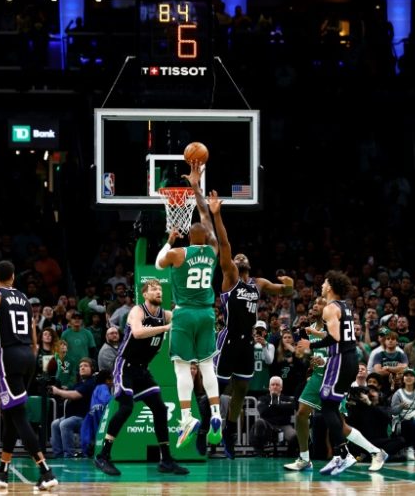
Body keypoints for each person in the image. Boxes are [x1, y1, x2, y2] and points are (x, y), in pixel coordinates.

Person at [207, 190, 294, 458]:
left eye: (244, 256)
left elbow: (285, 292)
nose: (240, 257)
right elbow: (224, 243)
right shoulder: (230, 277)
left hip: (246, 342)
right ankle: (205, 431)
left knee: (241, 390)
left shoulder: (259, 283)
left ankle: (229, 433)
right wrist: (217, 213)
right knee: (218, 390)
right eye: (237, 256)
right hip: (229, 338)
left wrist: (289, 286)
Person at [155, 161, 222, 449]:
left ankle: (186, 418)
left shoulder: (177, 254)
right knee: (206, 365)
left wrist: (169, 241)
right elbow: (206, 216)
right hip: (207, 313)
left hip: (183, 314)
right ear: (204, 237)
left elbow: (158, 263)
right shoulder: (213, 250)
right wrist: (197, 188)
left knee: (182, 368)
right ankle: (216, 413)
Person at [94, 279, 188, 476]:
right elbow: (137, 333)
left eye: (160, 289)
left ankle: (166, 460)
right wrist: (165, 328)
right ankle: (103, 456)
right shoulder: (137, 311)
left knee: (160, 409)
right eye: (154, 289)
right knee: (127, 407)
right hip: (124, 365)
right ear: (145, 294)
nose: (158, 292)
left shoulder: (166, 315)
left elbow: (184, 315)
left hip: (142, 370)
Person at [0, 260, 57, 491]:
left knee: (18, 415)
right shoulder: (24, 298)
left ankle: (45, 471)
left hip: (8, 356)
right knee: (11, 414)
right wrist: (31, 356)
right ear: (13, 277)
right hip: (28, 356)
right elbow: (34, 333)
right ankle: (2, 471)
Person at [284, 272, 365, 475]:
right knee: (322, 409)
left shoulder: (330, 308)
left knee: (330, 410)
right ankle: (338, 455)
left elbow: (335, 338)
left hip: (338, 363)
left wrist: (310, 344)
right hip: (348, 361)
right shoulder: (345, 306)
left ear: (330, 287)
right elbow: (337, 334)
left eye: (324, 282)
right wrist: (316, 336)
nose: (321, 285)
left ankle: (343, 455)